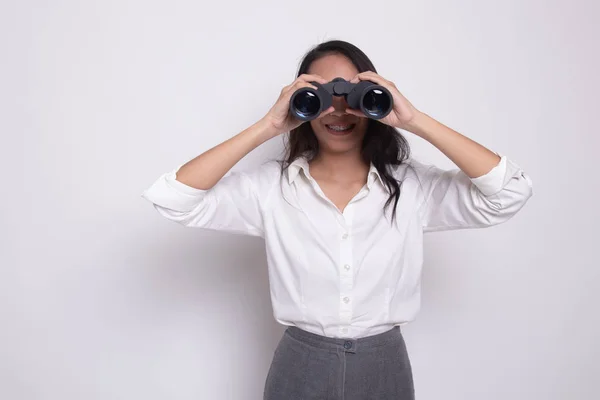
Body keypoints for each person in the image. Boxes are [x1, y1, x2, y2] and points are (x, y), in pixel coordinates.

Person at [142, 40, 533, 400]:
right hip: (300, 364)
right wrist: (269, 126)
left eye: (351, 93)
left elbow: (509, 193)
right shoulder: (271, 188)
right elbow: (173, 199)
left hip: (384, 366)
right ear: (303, 101)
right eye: (322, 95)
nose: (339, 109)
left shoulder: (412, 187)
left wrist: (414, 120)